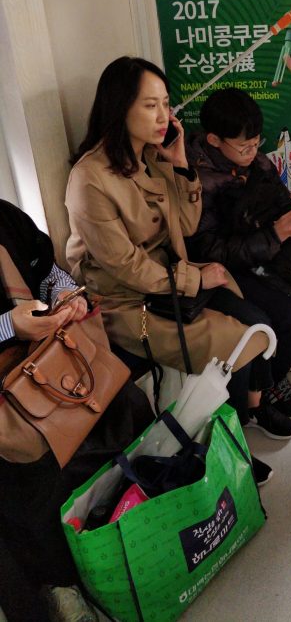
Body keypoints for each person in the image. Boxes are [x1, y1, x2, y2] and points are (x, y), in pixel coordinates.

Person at [65, 57, 288, 464]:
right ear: (120, 108)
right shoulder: (90, 178)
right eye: (150, 105)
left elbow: (185, 225)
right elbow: (125, 266)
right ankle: (224, 450)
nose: (163, 116)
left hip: (169, 281)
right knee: (239, 341)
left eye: (166, 104)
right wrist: (194, 281)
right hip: (128, 303)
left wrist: (181, 166)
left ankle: (238, 429)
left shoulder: (151, 157)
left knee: (256, 321)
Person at [0, 199, 154, 622]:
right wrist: (10, 325)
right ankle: (61, 584)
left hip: (48, 356)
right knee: (35, 471)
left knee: (126, 402)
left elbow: (49, 272)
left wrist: (66, 295)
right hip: (10, 398)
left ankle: (137, 520)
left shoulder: (6, 216)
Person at [184, 88, 291, 423]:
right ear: (214, 140)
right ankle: (272, 385)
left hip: (270, 250)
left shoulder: (258, 162)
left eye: (256, 143)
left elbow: (282, 203)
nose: (253, 152)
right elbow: (211, 250)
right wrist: (275, 235)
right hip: (229, 270)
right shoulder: (197, 182)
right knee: (290, 315)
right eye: (244, 146)